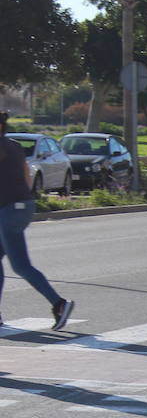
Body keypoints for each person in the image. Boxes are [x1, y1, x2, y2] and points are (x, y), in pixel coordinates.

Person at [0, 112, 73, 330]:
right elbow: (27, 176)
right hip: (21, 205)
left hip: (9, 209)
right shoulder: (13, 145)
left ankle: (59, 304)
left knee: (20, 265)